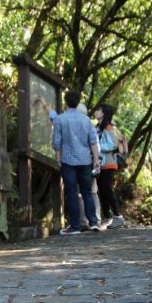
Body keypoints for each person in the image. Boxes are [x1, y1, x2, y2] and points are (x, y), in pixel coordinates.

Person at [52, 91, 101, 235]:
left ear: (66, 102)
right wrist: (96, 159)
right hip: (85, 160)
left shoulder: (60, 120)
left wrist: (58, 158)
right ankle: (93, 222)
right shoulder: (86, 120)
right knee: (87, 191)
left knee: (72, 192)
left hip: (67, 160)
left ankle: (75, 226)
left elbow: (57, 142)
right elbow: (93, 140)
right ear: (78, 102)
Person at [92, 104, 127, 229]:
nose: (95, 112)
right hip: (99, 164)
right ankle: (107, 217)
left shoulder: (108, 127)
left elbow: (112, 144)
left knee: (107, 189)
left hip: (108, 163)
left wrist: (96, 148)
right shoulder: (97, 127)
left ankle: (118, 217)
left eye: (98, 110)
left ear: (104, 113)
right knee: (102, 190)